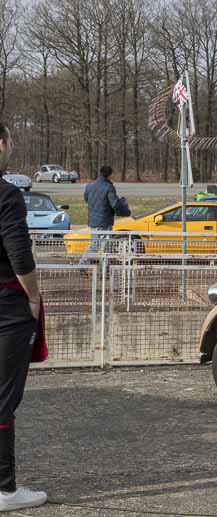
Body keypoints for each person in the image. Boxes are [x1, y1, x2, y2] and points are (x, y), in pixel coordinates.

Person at [0, 123, 48, 511]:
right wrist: (33, 297)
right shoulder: (7, 195)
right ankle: (4, 490)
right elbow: (19, 252)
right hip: (6, 306)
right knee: (2, 400)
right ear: (1, 145)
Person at [79, 166, 129, 265]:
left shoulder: (90, 185)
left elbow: (86, 199)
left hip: (93, 221)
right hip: (105, 222)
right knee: (104, 247)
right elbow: (115, 204)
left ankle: (88, 265)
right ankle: (86, 265)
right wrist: (125, 209)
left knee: (96, 245)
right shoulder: (109, 187)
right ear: (109, 175)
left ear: (100, 173)